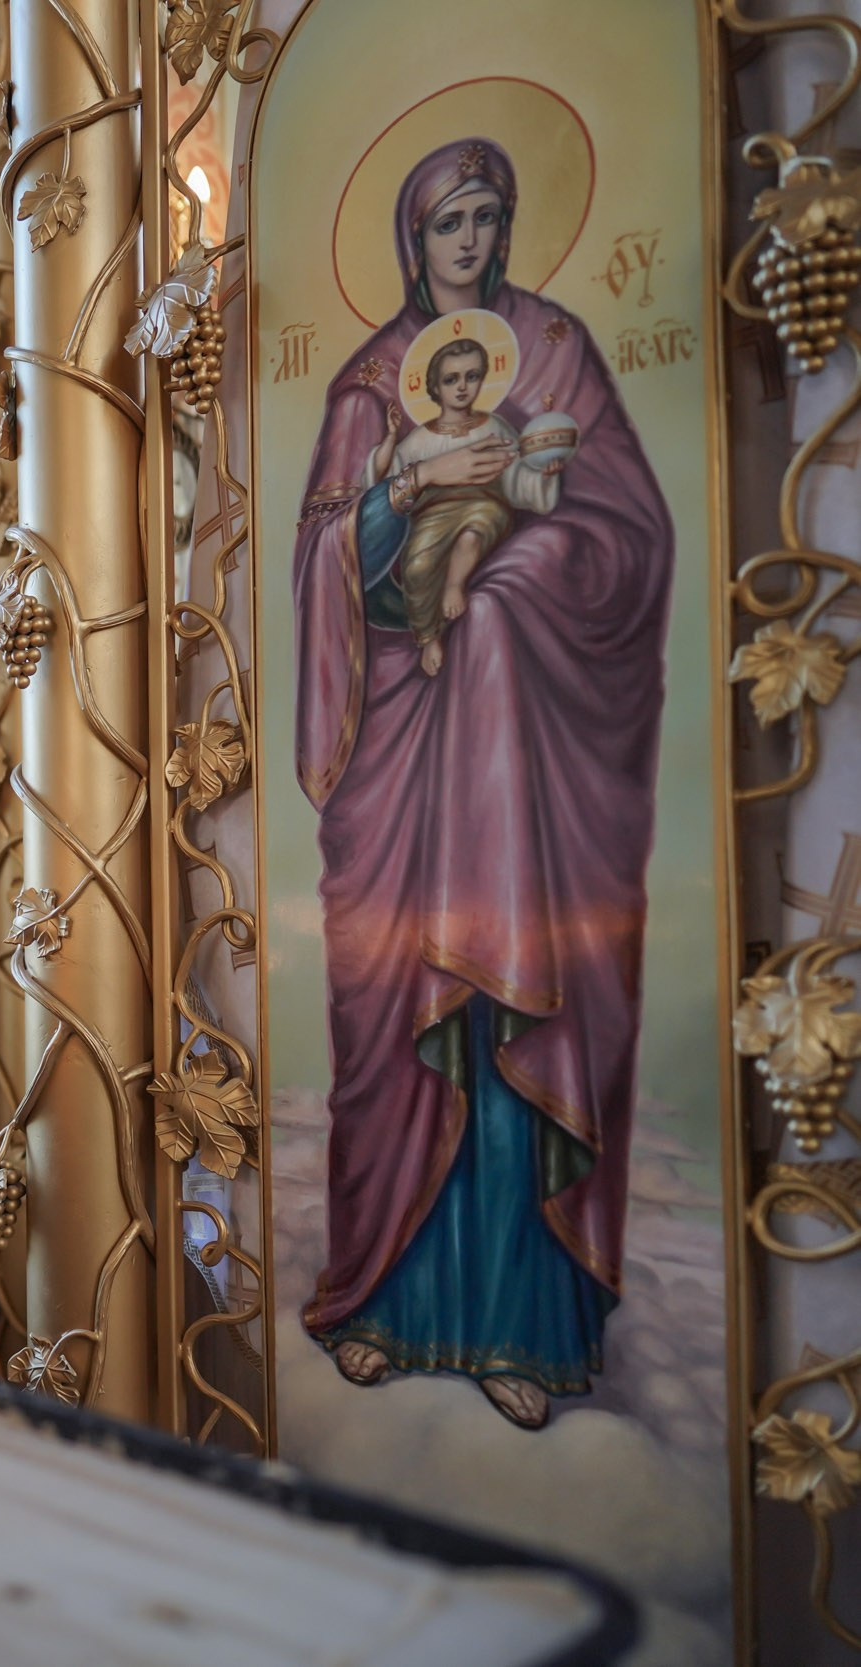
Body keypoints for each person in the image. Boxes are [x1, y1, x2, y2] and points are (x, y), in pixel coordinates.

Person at [292, 138, 671, 1430]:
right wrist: (399, 485)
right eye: (449, 220)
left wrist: (513, 577)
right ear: (414, 237)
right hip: (400, 750)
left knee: (510, 1010)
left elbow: (632, 535)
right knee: (393, 1023)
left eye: (488, 218)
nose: (469, 239)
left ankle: (520, 1327)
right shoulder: (364, 387)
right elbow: (322, 561)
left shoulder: (554, 352)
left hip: (523, 772)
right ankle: (387, 1305)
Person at [363, 335, 566, 675]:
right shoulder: (420, 440)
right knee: (416, 565)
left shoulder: (495, 427)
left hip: (485, 505)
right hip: (432, 516)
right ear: (435, 387)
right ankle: (428, 637)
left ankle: (455, 584)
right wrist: (387, 442)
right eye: (451, 379)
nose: (461, 387)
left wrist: (543, 475)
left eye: (471, 377)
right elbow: (384, 486)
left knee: (471, 537)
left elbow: (518, 480)